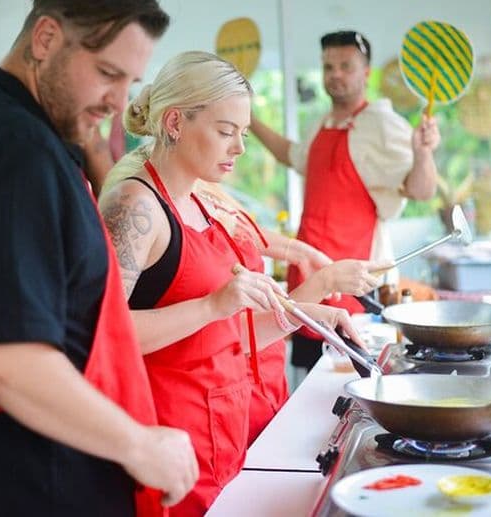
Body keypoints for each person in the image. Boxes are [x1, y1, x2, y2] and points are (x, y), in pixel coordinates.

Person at [0, 0, 199, 517]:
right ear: (46, 38)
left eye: (131, 82)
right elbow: (1, 349)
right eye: (106, 73)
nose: (118, 102)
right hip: (21, 480)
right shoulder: (7, 147)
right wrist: (138, 444)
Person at [99, 51, 363, 515]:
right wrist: (211, 305)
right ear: (176, 122)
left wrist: (309, 314)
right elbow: (103, 339)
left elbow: (226, 339)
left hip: (224, 438)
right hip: (172, 447)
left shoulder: (200, 202)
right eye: (226, 132)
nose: (239, 148)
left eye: (242, 133)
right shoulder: (135, 205)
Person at [250, 29, 441, 369]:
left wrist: (422, 154)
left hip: (357, 289)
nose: (335, 74)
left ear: (366, 72)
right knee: (311, 388)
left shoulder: (381, 123)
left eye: (345, 65)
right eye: (328, 67)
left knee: (353, 387)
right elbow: (292, 155)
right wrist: (247, 117)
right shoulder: (320, 123)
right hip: (309, 281)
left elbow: (421, 189)